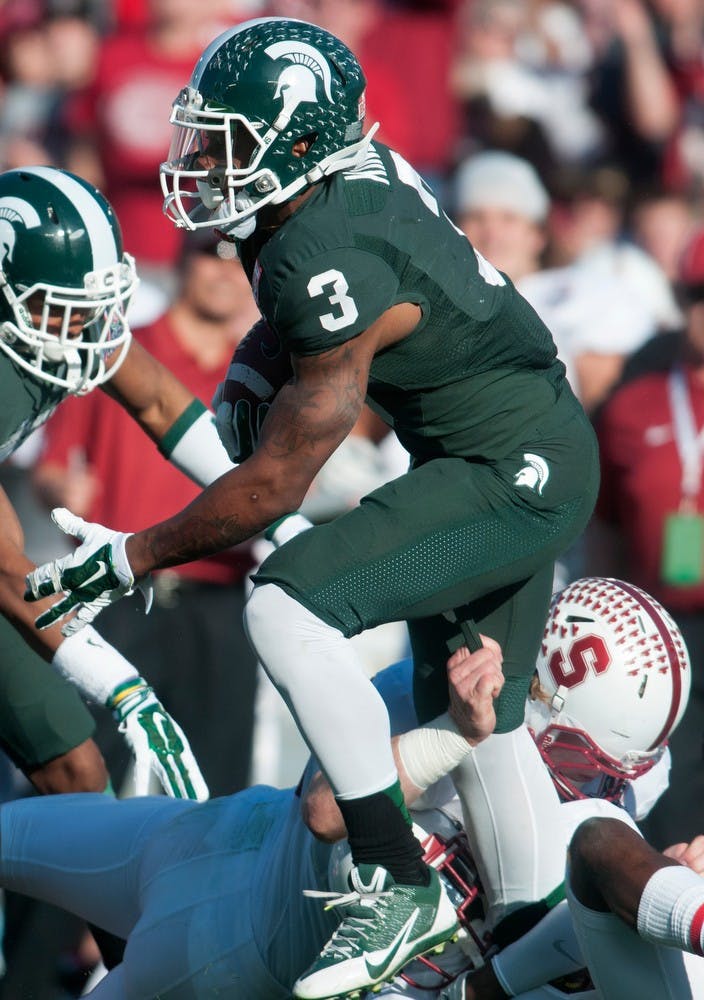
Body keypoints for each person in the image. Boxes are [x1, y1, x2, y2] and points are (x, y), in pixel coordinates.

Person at [25, 18, 600, 997]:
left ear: (293, 142)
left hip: (507, 466)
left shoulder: (321, 251)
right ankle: (542, 963)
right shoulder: (328, 193)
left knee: (284, 605)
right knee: (482, 727)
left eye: (224, 144)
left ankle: (392, 875)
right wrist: (257, 371)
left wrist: (128, 558)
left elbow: (276, 487)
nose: (198, 162)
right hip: (522, 446)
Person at [0, 617, 506, 999]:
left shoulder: (537, 832)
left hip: (218, 946)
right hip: (205, 832)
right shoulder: (440, 681)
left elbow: (328, 813)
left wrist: (455, 735)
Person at [0, 162, 242, 802]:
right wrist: (121, 685)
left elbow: (160, 400)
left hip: (200, 603)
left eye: (98, 302)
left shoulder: (65, 330)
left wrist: (274, 512)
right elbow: (4, 565)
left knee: (78, 773)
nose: (88, 327)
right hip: (34, 579)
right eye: (64, 307)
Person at [589, 223, 704, 851]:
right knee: (667, 789)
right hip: (664, 633)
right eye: (699, 293)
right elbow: (603, 523)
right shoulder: (634, 404)